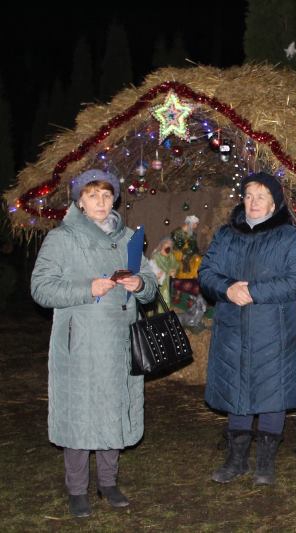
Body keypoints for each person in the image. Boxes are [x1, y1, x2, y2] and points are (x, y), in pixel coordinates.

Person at [30, 169, 158, 518]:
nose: (101, 202)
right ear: (80, 201)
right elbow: (41, 288)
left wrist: (140, 286)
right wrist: (88, 288)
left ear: (114, 198)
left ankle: (108, 482)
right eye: (92, 195)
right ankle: (76, 488)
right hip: (81, 342)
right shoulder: (63, 238)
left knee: (114, 406)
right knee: (80, 411)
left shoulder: (130, 237)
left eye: (106, 195)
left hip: (120, 340)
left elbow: (150, 284)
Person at [199, 171, 296, 487]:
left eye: (261, 196)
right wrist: (228, 288)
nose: (254, 202)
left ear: (273, 202)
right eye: (249, 195)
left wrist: (255, 292)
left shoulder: (288, 237)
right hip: (233, 327)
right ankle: (235, 460)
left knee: (271, 393)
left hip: (271, 329)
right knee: (237, 390)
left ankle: (265, 463)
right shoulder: (226, 235)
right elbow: (207, 272)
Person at [148, 236, 178, 306]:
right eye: (167, 244)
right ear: (162, 245)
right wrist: (160, 274)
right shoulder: (156, 256)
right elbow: (152, 268)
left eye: (170, 245)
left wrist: (174, 270)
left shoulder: (171, 256)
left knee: (167, 298)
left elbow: (175, 265)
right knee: (159, 300)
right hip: (159, 282)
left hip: (168, 282)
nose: (168, 247)